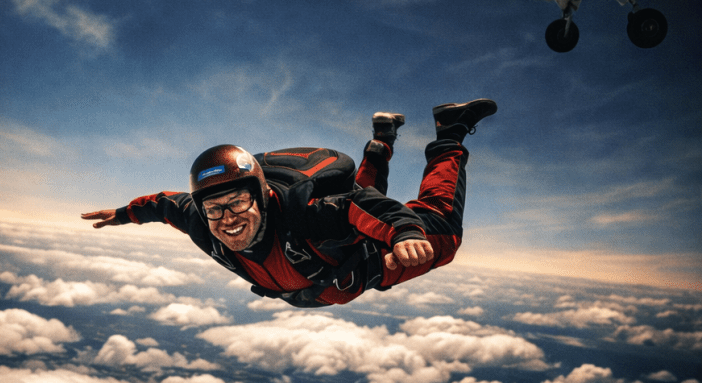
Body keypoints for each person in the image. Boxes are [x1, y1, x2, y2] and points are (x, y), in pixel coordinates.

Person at [82, 99, 496, 308]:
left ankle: (450, 132)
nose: (227, 219)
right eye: (214, 208)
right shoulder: (198, 220)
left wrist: (406, 233)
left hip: (359, 267)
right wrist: (122, 215)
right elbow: (162, 203)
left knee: (442, 234)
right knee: (360, 211)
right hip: (315, 284)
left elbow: (367, 208)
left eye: (239, 202)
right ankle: (381, 140)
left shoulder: (311, 216)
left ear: (263, 198)